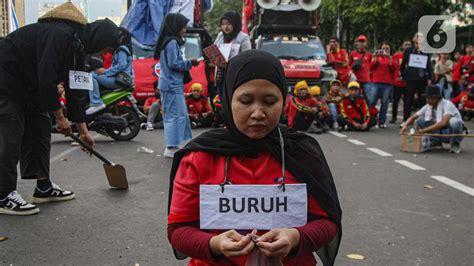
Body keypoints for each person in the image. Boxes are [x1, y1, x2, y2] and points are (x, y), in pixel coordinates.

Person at [167, 50, 341, 266]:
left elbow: (327, 222)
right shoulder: (199, 156)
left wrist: (295, 238)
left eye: (269, 101)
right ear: (229, 98)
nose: (258, 113)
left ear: (283, 101)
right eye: (246, 101)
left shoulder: (302, 154)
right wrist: (215, 243)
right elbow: (178, 230)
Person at [0, 2, 120, 215]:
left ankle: (43, 187)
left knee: (40, 130)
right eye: (106, 47)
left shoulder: (79, 49)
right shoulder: (57, 34)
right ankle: (3, 195)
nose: (103, 53)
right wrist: (60, 117)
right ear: (100, 38)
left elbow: (76, 92)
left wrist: (84, 132)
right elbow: (47, 77)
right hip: (6, 80)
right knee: (11, 134)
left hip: (30, 85)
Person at [154, 13, 200, 158]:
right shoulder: (172, 43)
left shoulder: (168, 42)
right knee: (174, 116)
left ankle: (178, 143)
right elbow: (174, 64)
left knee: (178, 115)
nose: (185, 29)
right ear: (176, 26)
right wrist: (190, 63)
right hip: (171, 85)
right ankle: (171, 147)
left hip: (171, 84)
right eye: (183, 26)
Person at [401, 85, 464, 154]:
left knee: (454, 122)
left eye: (431, 98)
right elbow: (413, 117)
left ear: (437, 98)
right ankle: (436, 141)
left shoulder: (447, 104)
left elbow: (443, 122)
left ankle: (455, 144)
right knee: (419, 121)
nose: (429, 100)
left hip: (450, 133)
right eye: (427, 98)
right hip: (440, 133)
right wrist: (405, 125)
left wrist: (423, 131)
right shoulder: (428, 106)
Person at [86, 27, 134, 115]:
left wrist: (105, 71)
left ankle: (96, 103)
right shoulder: (120, 49)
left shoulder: (121, 49)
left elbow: (121, 65)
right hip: (121, 79)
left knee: (91, 75)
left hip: (121, 80)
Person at [213, 11, 251, 97]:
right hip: (221, 75)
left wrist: (231, 64)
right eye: (223, 24)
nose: (225, 27)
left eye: (229, 24)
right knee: (221, 101)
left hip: (235, 76)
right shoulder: (221, 36)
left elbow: (247, 57)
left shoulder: (243, 37)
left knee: (233, 100)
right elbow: (214, 49)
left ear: (235, 23)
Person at [400, 32, 433, 126]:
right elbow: (403, 65)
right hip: (411, 79)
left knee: (422, 100)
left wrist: (430, 78)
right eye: (417, 37)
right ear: (413, 39)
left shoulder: (426, 51)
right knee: (408, 99)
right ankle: (405, 120)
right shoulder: (408, 51)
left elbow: (429, 66)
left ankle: (421, 121)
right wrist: (404, 75)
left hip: (422, 79)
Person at [368, 42, 394, 128]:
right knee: (372, 101)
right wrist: (375, 57)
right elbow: (371, 67)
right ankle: (370, 119)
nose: (385, 50)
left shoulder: (390, 58)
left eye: (387, 49)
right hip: (376, 82)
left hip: (387, 83)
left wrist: (390, 58)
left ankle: (381, 122)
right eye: (383, 48)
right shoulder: (377, 57)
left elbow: (393, 68)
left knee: (384, 103)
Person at [391, 40, 412, 124]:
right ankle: (394, 117)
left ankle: (406, 118)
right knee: (395, 101)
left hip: (408, 82)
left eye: (409, 45)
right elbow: (392, 68)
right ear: (402, 46)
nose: (407, 46)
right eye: (405, 44)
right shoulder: (397, 56)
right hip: (397, 82)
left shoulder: (414, 55)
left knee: (407, 101)